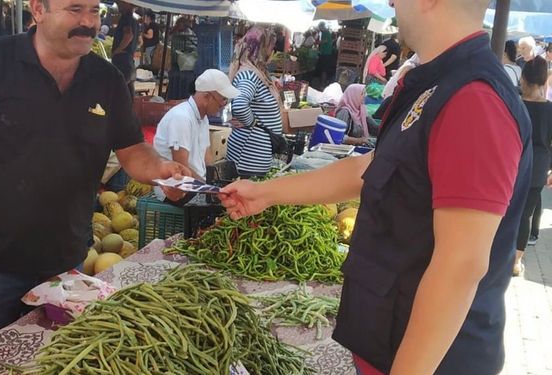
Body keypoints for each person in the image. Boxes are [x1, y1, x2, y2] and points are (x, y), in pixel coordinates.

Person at [219, 0, 532, 374]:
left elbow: (460, 266)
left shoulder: (473, 99)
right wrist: (266, 193)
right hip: (387, 342)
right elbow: (365, 170)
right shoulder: (433, 84)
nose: (390, 2)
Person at [0, 0, 190, 351]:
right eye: (74, 9)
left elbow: (133, 152)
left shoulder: (107, 79)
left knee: (52, 359)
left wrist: (162, 171)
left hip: (65, 261)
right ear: (38, 9)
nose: (89, 22)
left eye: (94, 11)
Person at [153, 69, 240, 203]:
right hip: (175, 191)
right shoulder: (181, 118)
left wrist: (214, 182)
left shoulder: (203, 118)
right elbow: (181, 168)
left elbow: (207, 156)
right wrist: (211, 189)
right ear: (206, 97)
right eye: (222, 99)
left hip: (196, 186)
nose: (224, 105)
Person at [226, 26, 286, 178]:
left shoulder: (256, 73)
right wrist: (252, 123)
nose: (272, 52)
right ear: (260, 49)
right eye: (271, 47)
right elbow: (239, 105)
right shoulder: (249, 75)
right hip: (247, 157)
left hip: (255, 156)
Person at [514, 57, 552, 276]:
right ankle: (516, 261)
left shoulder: (516, 102)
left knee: (507, 210)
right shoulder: (550, 108)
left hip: (514, 161)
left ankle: (499, 252)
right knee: (526, 214)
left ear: (524, 78)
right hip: (538, 166)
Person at [111, 0, 138, 99]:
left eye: (120, 2)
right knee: (128, 97)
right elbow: (138, 40)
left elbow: (128, 35)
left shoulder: (126, 18)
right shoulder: (134, 20)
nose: (118, 4)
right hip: (129, 61)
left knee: (119, 93)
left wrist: (117, 50)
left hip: (122, 61)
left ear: (128, 3)